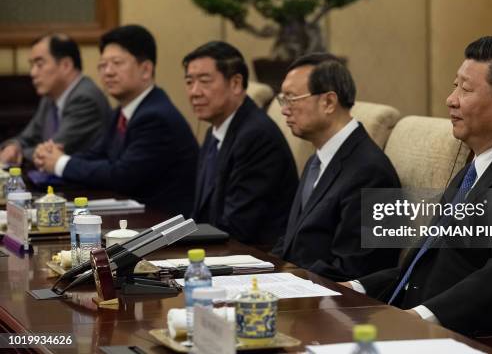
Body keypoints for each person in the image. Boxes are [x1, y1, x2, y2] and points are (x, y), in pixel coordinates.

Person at [343, 36, 492, 336]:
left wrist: (417, 318)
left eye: (465, 89)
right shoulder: (473, 170)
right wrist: (352, 288)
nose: (451, 99)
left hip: (472, 340)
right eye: (455, 86)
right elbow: (423, 267)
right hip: (418, 327)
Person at [34, 25, 198, 217]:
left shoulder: (155, 116)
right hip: (135, 219)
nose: (108, 72)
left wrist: (61, 162)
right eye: (103, 65)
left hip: (166, 228)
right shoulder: (121, 111)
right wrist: (53, 156)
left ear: (146, 70)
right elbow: (97, 154)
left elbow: (121, 176)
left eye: (117, 63)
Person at [271, 53, 401, 281]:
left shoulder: (370, 171)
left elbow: (355, 268)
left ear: (329, 102)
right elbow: (291, 243)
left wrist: (286, 278)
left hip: (333, 304)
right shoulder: (317, 159)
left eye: (291, 98)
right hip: (296, 289)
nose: (284, 110)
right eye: (283, 100)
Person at [185, 41, 298, 246]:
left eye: (204, 81)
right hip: (218, 250)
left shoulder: (256, 136)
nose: (194, 92)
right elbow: (202, 214)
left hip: (258, 258)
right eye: (189, 82)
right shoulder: (215, 130)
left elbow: (238, 227)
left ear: (236, 83)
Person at [0, 34, 110, 165]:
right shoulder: (50, 97)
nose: (33, 73)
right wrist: (13, 146)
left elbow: (51, 152)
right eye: (32, 65)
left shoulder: (85, 99)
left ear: (66, 65)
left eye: (39, 64)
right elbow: (27, 137)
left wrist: (19, 152)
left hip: (85, 183)